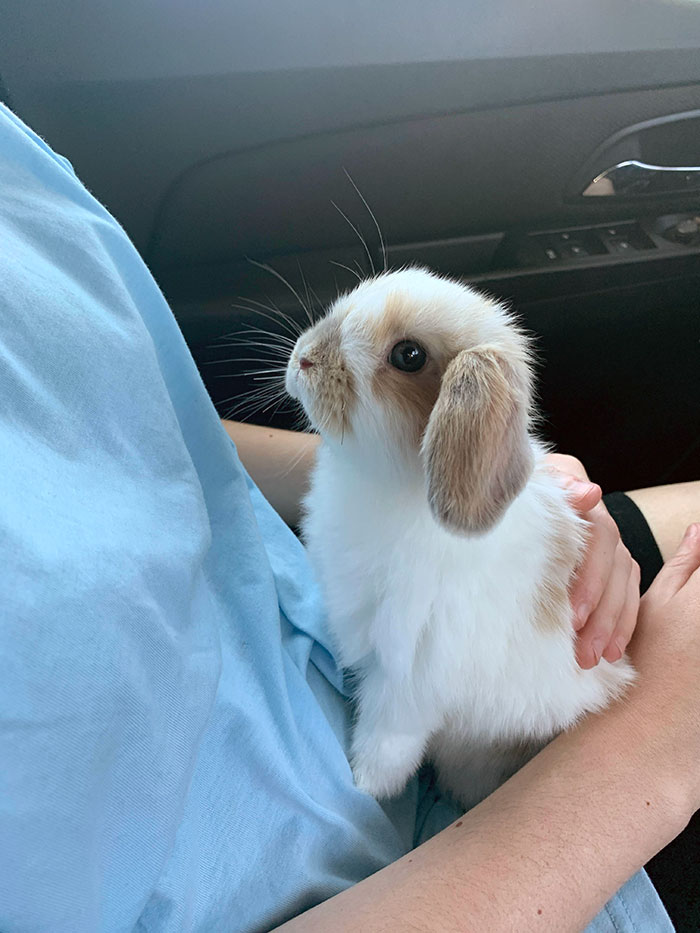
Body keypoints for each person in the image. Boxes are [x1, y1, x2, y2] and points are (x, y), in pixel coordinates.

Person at [0, 100, 698, 933]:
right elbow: (420, 679)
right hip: (491, 846)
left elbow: (128, 433)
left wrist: (482, 479)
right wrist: (651, 748)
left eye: (404, 357)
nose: (309, 354)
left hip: (396, 647)